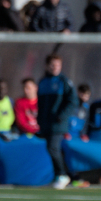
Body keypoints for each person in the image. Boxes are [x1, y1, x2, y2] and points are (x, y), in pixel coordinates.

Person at [37, 54, 75, 189]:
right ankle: (58, 176)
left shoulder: (63, 81)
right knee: (50, 148)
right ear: (47, 66)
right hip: (46, 123)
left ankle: (63, 175)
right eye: (52, 65)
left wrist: (61, 115)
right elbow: (40, 104)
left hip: (58, 123)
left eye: (58, 65)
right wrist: (39, 120)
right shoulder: (43, 82)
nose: (55, 68)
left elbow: (73, 101)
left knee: (53, 148)